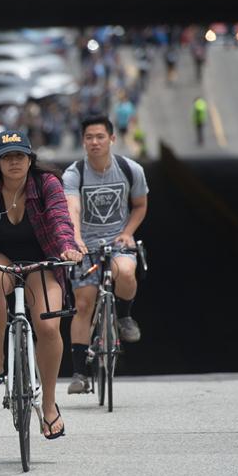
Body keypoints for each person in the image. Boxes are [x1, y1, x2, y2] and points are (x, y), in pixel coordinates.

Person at [0, 129, 81, 439]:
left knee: (49, 327)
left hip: (42, 259)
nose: (13, 162)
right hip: (2, 257)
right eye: (6, 157)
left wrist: (67, 246)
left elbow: (60, 218)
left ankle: (49, 407)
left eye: (19, 156)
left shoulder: (46, 183)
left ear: (29, 159)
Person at [63, 115, 149, 395]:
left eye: (100, 137)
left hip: (118, 241)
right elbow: (72, 207)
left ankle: (124, 316)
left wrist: (128, 232)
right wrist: (75, 238)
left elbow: (139, 205)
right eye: (89, 137)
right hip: (85, 245)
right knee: (84, 303)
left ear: (112, 139)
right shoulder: (75, 173)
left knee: (125, 272)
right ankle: (79, 372)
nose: (95, 142)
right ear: (83, 141)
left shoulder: (129, 169)